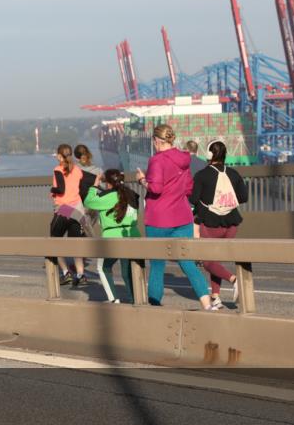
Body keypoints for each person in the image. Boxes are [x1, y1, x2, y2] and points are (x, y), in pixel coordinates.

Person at [135, 124, 213, 311]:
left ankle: (155, 306)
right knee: (188, 262)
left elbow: (156, 188)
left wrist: (141, 180)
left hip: (159, 219)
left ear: (156, 141)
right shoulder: (184, 160)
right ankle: (208, 305)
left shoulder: (157, 160)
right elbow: (188, 189)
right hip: (182, 217)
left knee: (157, 264)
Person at [191, 141, 249, 310]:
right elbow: (243, 197)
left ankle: (234, 280)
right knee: (215, 260)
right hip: (232, 224)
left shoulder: (201, 175)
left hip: (210, 224)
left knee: (208, 262)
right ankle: (216, 297)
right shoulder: (234, 174)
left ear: (209, 155)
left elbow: (193, 199)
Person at [83, 169, 140, 303]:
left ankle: (114, 299)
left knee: (103, 267)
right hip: (133, 235)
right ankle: (135, 300)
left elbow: (88, 202)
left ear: (108, 183)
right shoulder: (132, 194)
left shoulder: (107, 196)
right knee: (128, 272)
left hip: (113, 237)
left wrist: (95, 186)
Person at [50, 144, 88, 287]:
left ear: (60, 156)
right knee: (75, 243)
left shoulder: (58, 169)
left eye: (57, 155)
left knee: (55, 241)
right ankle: (81, 274)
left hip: (64, 209)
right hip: (77, 210)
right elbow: (82, 188)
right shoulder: (78, 170)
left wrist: (52, 190)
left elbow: (60, 188)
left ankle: (66, 273)